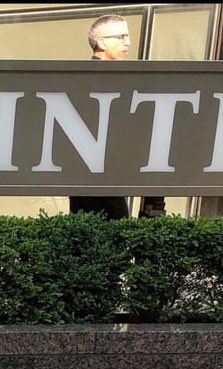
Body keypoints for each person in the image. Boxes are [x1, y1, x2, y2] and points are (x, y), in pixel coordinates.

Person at [68, 14, 166, 220]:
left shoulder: (103, 78)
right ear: (102, 42)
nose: (127, 43)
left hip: (104, 176)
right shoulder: (91, 79)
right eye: (121, 37)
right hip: (97, 178)